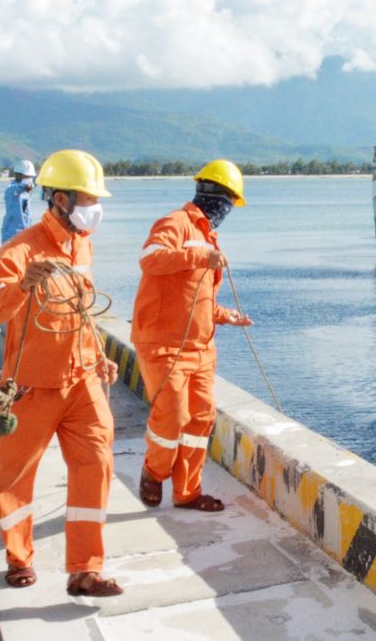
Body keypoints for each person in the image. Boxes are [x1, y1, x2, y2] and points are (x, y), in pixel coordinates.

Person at [0, 149, 121, 596]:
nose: (92, 208)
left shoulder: (83, 245)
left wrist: (100, 354)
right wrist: (23, 284)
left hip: (82, 382)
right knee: (16, 477)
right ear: (58, 199)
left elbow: (81, 310)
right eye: (84, 199)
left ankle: (85, 569)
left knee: (96, 464)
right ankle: (19, 558)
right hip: (30, 388)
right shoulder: (19, 251)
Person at [131, 159, 254, 514]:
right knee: (172, 415)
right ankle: (154, 472)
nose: (228, 211)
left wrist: (227, 316)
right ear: (216, 195)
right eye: (229, 202)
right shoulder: (175, 224)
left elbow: (198, 301)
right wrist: (200, 255)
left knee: (200, 420)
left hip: (201, 349)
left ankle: (187, 491)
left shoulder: (206, 236)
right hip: (162, 344)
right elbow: (150, 259)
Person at [0, 160, 39, 244]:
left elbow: (31, 185)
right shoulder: (11, 190)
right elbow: (21, 187)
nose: (29, 179)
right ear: (18, 175)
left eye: (30, 176)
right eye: (27, 176)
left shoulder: (26, 192)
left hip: (25, 233)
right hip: (11, 235)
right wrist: (27, 185)